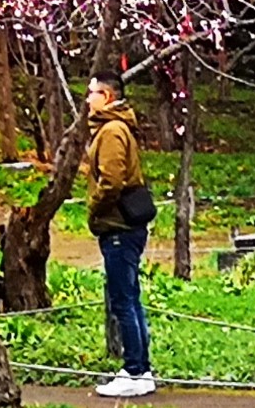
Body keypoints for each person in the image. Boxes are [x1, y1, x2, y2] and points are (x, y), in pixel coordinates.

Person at [86, 69, 156, 397]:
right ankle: (140, 368)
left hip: (119, 227)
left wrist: (94, 209)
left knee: (123, 300)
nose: (87, 99)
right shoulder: (115, 127)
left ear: (107, 97)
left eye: (92, 93)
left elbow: (111, 181)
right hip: (124, 227)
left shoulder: (112, 130)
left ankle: (135, 370)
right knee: (130, 297)